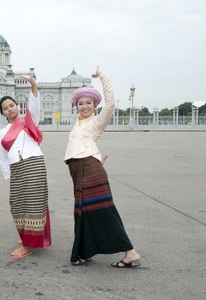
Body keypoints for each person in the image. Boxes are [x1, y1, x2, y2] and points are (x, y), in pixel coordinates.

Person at [64, 66, 141, 268]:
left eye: (88, 102)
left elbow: (111, 104)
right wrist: (97, 157)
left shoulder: (97, 122)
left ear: (95, 104)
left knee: (104, 210)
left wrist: (103, 77)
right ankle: (84, 252)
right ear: (75, 106)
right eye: (80, 103)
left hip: (88, 168)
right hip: (80, 169)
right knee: (83, 212)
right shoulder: (78, 123)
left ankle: (130, 252)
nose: (84, 106)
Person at [0, 72, 51, 259]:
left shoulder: (28, 122)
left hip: (34, 165)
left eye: (12, 105)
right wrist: (10, 176)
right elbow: (2, 157)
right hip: (17, 170)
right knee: (18, 205)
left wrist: (33, 84)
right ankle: (27, 236)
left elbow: (34, 106)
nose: (10, 109)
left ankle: (29, 244)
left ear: (17, 107)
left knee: (34, 204)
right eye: (5, 108)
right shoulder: (2, 133)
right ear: (2, 113)